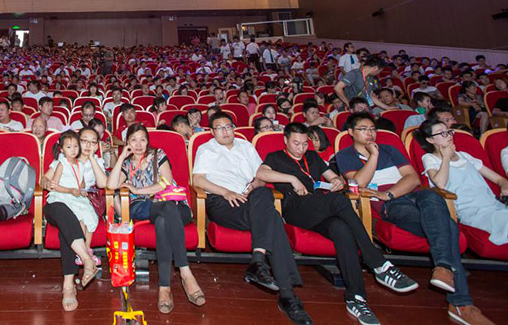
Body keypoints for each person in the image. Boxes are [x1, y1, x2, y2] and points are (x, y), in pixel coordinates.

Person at [336, 113, 493, 325]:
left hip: (409, 196)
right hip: (392, 206)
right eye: (364, 129)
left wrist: (389, 192)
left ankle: (444, 270)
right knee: (448, 226)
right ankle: (461, 303)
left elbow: (412, 178)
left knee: (431, 195)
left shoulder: (391, 150)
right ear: (350, 133)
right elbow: (360, 182)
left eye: (373, 129)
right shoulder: (346, 155)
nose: (370, 133)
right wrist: (373, 157)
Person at [258, 123, 417, 325]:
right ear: (286, 141)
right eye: (296, 143)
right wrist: (291, 179)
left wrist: (336, 182)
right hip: (295, 208)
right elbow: (262, 174)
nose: (301, 148)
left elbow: (332, 177)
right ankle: (377, 262)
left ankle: (356, 298)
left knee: (341, 230)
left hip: (318, 208)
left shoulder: (313, 157)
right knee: (340, 201)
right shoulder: (275, 157)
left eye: (305, 143)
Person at [193, 112, 312, 325]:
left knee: (264, 194)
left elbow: (261, 177)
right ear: (212, 131)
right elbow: (198, 180)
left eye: (228, 127)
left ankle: (261, 265)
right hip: (223, 203)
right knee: (274, 219)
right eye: (220, 128)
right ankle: (287, 295)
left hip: (250, 201)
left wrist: (255, 185)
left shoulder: (246, 147)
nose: (225, 131)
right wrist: (226, 192)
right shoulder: (206, 149)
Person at [108, 124, 204, 314]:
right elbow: (111, 185)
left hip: (175, 207)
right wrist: (121, 156)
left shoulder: (158, 155)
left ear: (148, 141)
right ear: (127, 142)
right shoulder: (127, 164)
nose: (138, 144)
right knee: (163, 212)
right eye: (133, 139)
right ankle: (185, 272)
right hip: (147, 208)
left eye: (142, 139)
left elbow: (166, 182)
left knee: (163, 220)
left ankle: (164, 288)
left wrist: (138, 190)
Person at [418, 119, 508, 264]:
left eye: (448, 131)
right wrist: (446, 157)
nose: (448, 135)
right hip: (473, 212)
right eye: (442, 133)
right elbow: (440, 183)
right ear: (430, 139)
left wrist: (505, 187)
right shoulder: (430, 158)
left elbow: (499, 179)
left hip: (495, 206)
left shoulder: (465, 156)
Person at [42, 126, 107, 310]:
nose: (87, 146)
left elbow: (100, 184)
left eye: (93, 142)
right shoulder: (62, 162)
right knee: (65, 213)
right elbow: (46, 180)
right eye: (84, 141)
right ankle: (87, 259)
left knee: (68, 225)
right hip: (57, 203)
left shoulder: (93, 163)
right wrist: (46, 182)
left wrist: (93, 158)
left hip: (77, 204)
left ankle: (68, 285)